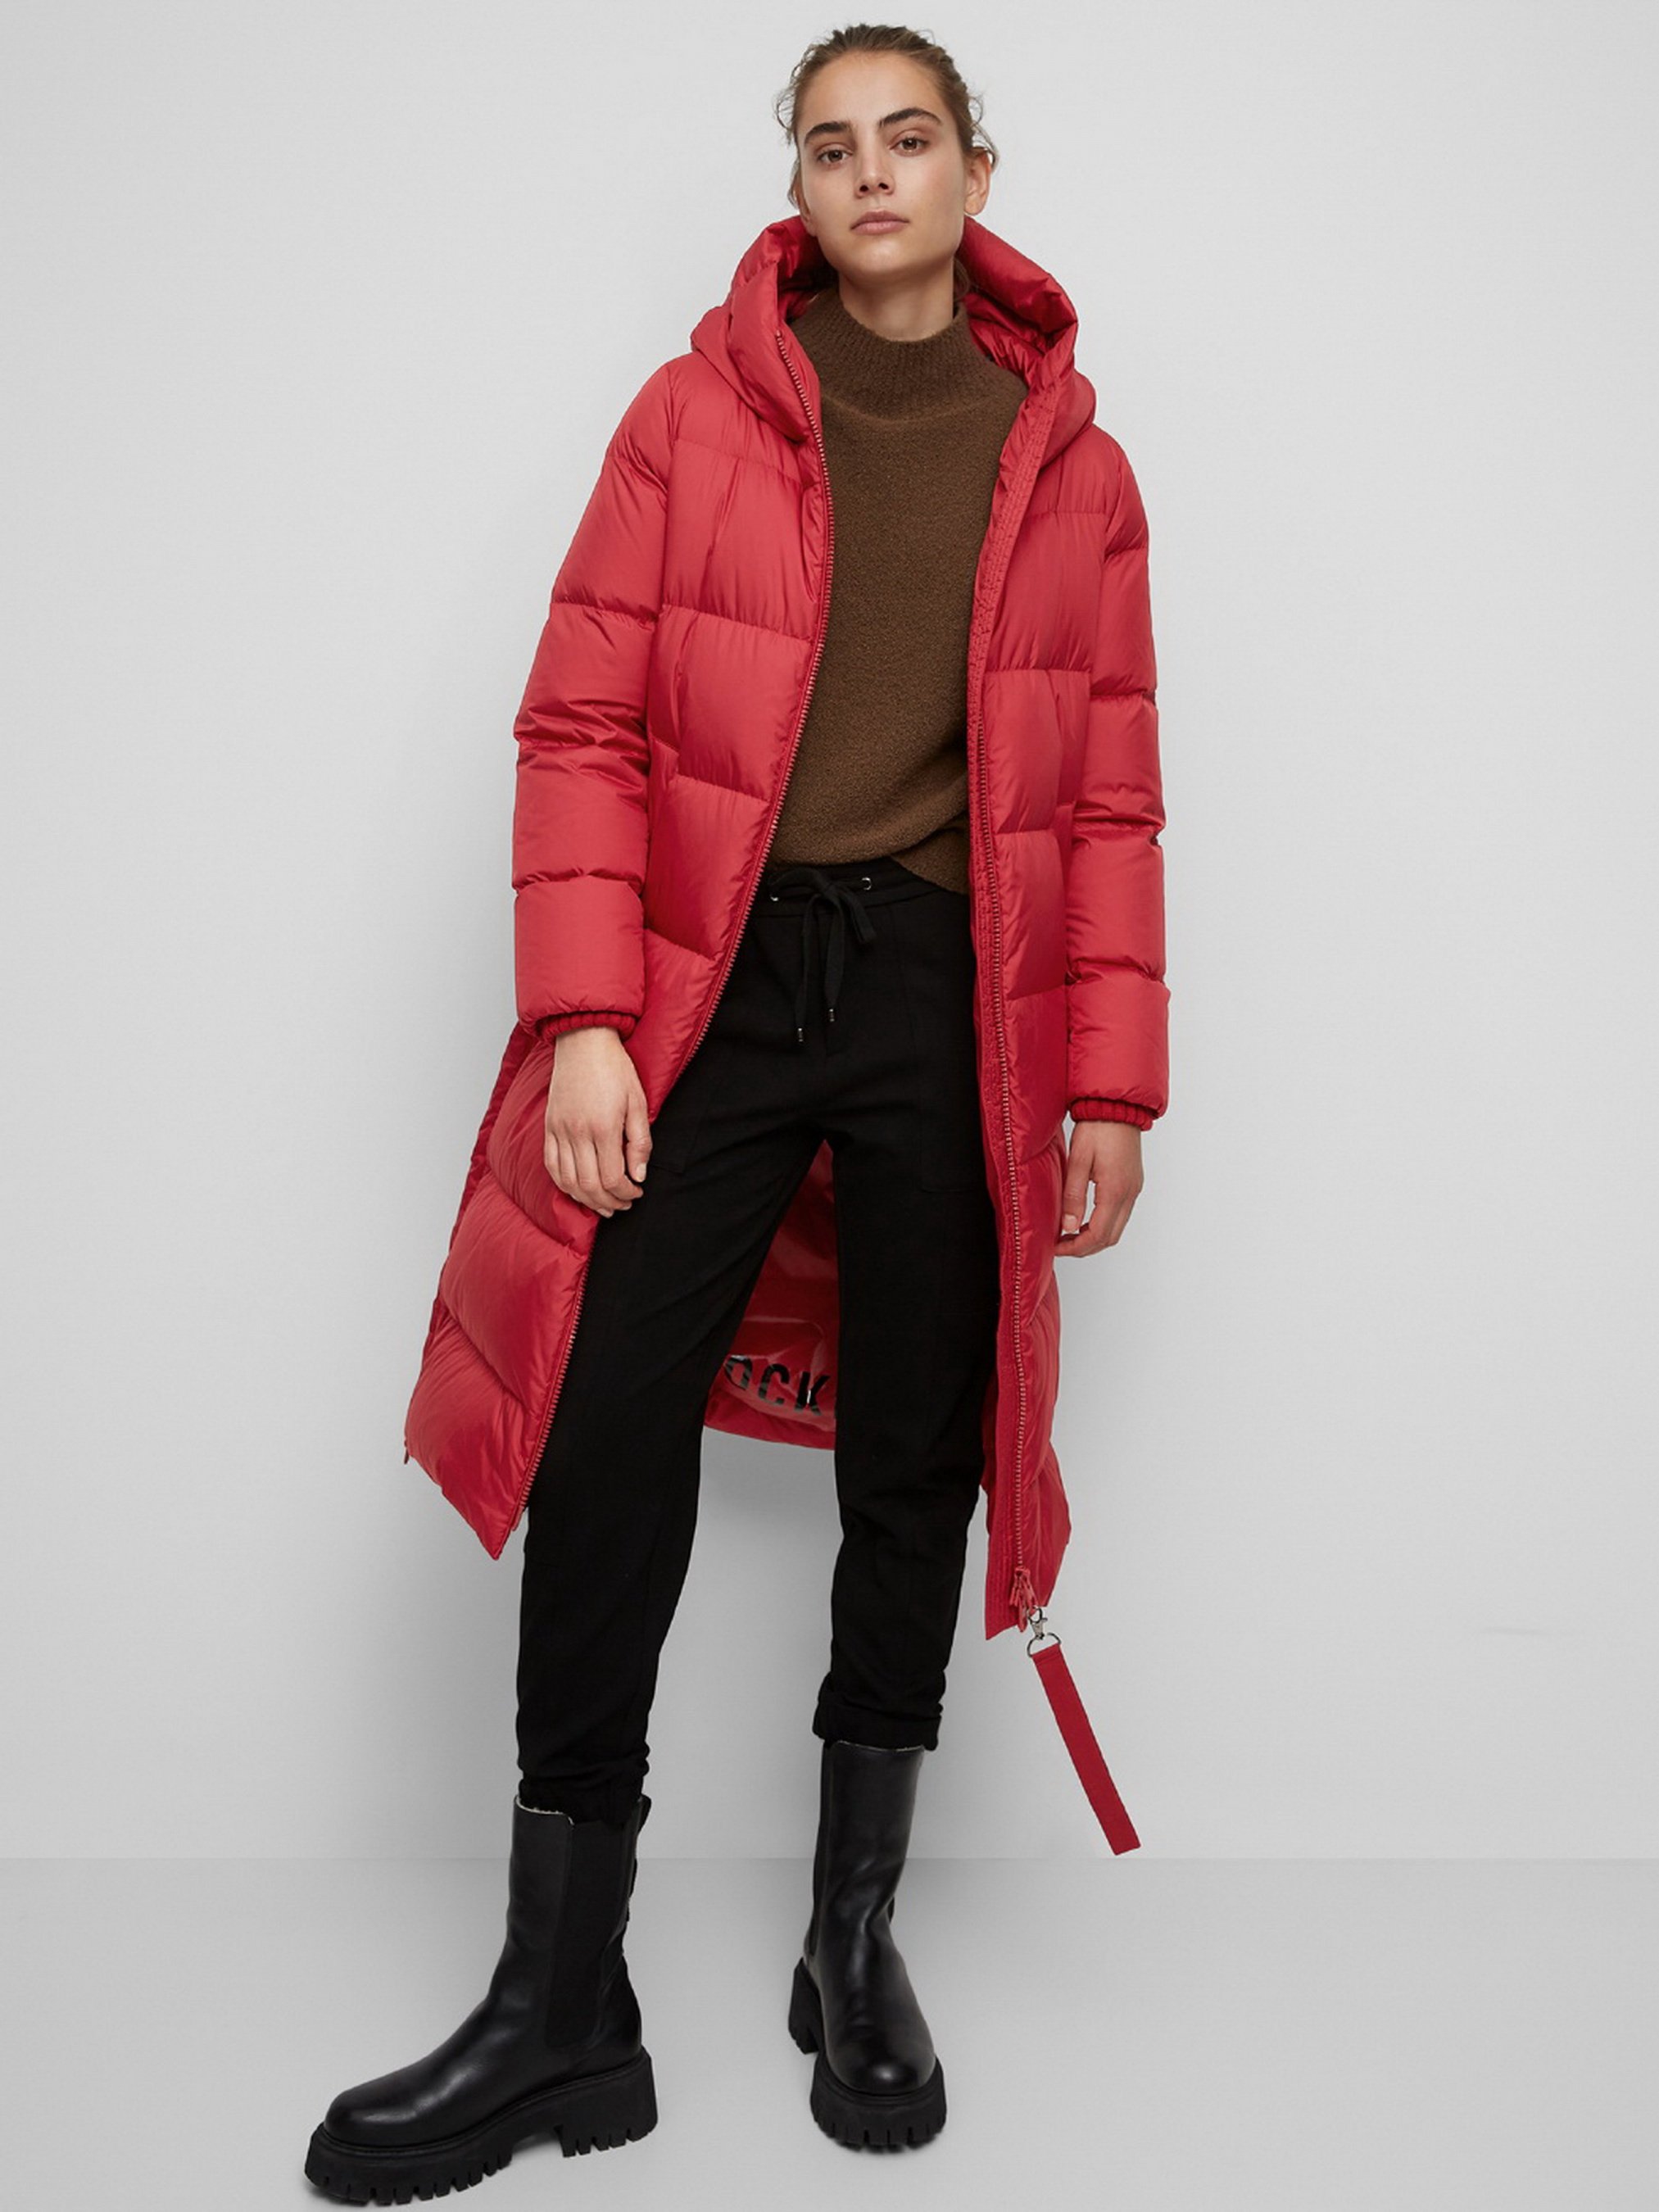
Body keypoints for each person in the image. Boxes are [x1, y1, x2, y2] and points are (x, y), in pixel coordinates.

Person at [305, 21, 1167, 2201]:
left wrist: (1107, 1079)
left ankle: (847, 1934)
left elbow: (1107, 793)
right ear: (795, 187)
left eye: (908, 137)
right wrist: (589, 1016)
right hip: (717, 980)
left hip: (947, 991)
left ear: (974, 173)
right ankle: (560, 1996)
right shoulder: (693, 415)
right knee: (605, 1423)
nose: (870, 172)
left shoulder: (1074, 466)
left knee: (916, 1453)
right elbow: (582, 719)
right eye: (829, 144)